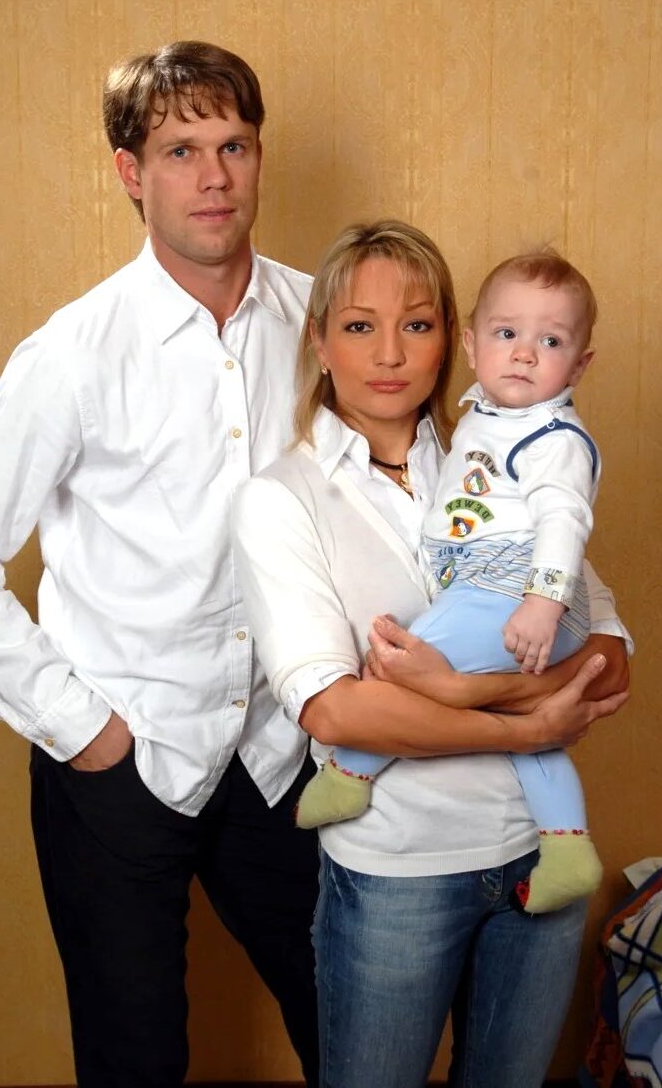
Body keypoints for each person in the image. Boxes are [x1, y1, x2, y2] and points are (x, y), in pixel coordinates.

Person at [0, 42, 320, 1088]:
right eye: (181, 151)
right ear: (131, 172)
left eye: (233, 146)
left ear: (259, 157)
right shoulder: (74, 353)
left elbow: (422, 494)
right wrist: (83, 730)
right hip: (124, 757)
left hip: (281, 751)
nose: (213, 177)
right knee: (133, 1060)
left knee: (357, 1019)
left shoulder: (326, 322)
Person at [232, 220, 630, 1088]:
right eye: (358, 325)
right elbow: (336, 711)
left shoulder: (506, 453)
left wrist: (450, 691)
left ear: (454, 337)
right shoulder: (280, 498)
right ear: (319, 341)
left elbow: (607, 653)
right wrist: (529, 724)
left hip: (535, 856)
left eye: (415, 324)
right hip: (397, 875)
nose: (389, 353)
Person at [296, 250, 607, 915]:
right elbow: (326, 706)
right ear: (471, 344)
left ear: (579, 365)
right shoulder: (486, 420)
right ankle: (567, 845)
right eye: (506, 334)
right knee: (531, 726)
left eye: (550, 342)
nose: (523, 354)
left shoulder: (550, 437)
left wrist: (542, 601)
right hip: (493, 592)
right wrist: (496, 695)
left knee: (405, 656)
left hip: (509, 590)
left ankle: (349, 770)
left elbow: (565, 522)